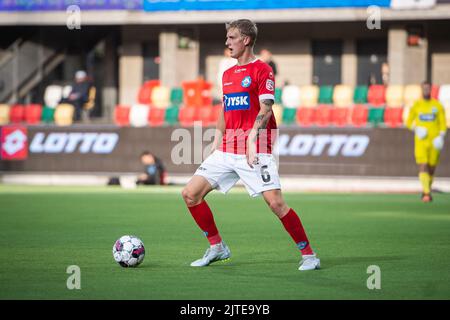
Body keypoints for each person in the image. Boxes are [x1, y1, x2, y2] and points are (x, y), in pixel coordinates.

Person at [181, 19, 320, 271]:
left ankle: (309, 254)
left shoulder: (262, 70)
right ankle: (217, 247)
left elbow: (266, 109)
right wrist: (216, 138)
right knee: (190, 194)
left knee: (276, 203)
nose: (227, 42)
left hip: (256, 146)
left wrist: (252, 139)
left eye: (231, 37)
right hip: (228, 147)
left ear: (245, 40)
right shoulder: (226, 73)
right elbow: (225, 108)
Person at [406, 81, 446, 202]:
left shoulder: (437, 105)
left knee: (432, 167)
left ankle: (427, 188)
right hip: (421, 141)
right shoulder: (416, 105)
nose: (426, 90)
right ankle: (426, 193)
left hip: (434, 142)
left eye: (428, 88)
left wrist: (441, 136)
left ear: (431, 90)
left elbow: (443, 123)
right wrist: (416, 128)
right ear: (421, 89)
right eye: (424, 88)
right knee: (423, 165)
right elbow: (408, 121)